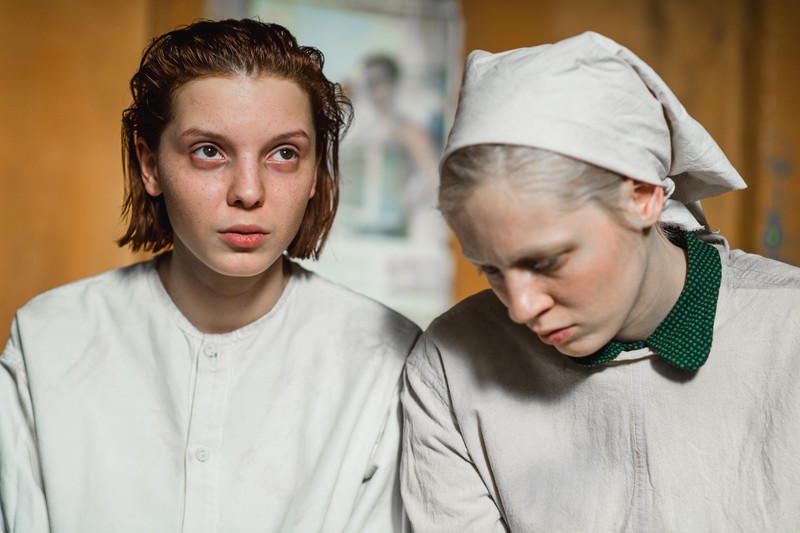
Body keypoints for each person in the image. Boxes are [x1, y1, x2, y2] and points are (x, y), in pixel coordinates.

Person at [0, 19, 420, 532]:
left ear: (315, 173)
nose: (249, 191)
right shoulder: (47, 340)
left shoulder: (385, 360)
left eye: (284, 154)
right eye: (209, 151)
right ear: (150, 165)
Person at [401, 31, 800, 531]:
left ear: (643, 196)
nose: (520, 308)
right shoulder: (449, 366)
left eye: (548, 261)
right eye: (492, 270)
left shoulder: (788, 331)